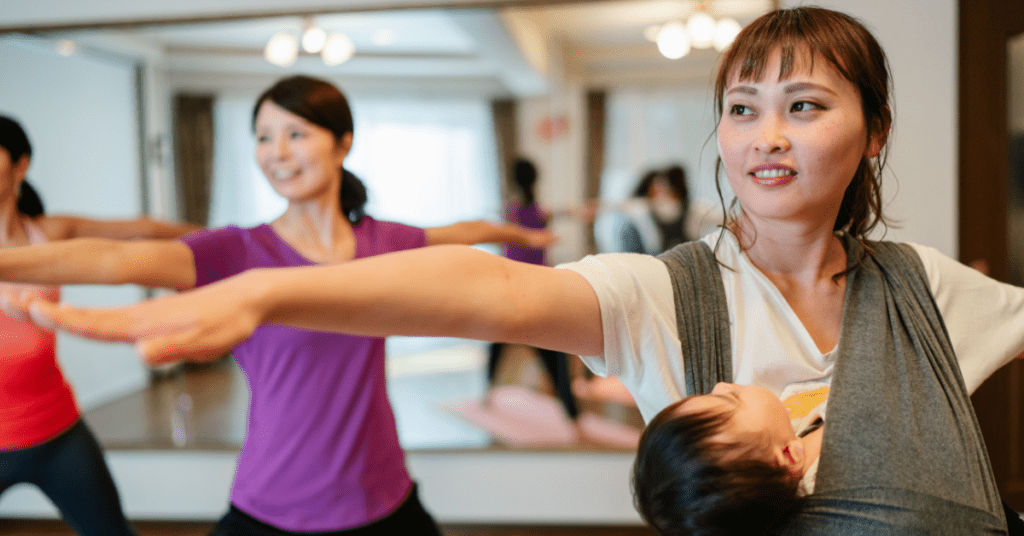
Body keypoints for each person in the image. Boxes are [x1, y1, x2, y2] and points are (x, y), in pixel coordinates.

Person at [3, 7, 1024, 534]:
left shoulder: (926, 290)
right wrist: (265, 287)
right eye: (743, 104)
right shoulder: (665, 291)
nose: (765, 134)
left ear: (873, 132)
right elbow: (488, 286)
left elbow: (461, 236)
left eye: (804, 105)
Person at [0, 76, 557, 536]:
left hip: (381, 495)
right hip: (270, 502)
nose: (277, 152)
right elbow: (110, 262)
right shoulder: (237, 250)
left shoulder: (384, 242)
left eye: (296, 133)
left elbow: (460, 234)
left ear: (343, 144)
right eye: (263, 137)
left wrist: (524, 235)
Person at [0, 114, 200, 536]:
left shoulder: (48, 233)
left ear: (20, 166)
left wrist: (241, 241)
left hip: (57, 430)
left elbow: (140, 231)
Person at [633, 380, 1024, 536]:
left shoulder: (792, 421)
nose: (722, 382)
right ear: (787, 457)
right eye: (728, 398)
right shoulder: (851, 485)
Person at [486, 156, 579, 428]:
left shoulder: (510, 213)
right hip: (537, 291)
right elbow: (559, 212)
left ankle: (486, 390)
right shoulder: (537, 213)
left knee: (497, 342)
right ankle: (571, 412)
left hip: (511, 290)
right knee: (553, 352)